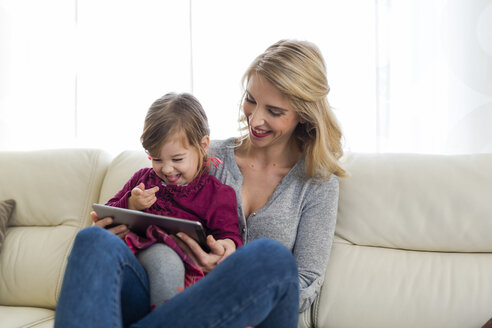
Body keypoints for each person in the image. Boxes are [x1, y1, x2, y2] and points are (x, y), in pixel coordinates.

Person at [54, 39, 345, 328]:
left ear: (304, 115)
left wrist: (231, 282)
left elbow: (305, 284)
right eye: (251, 100)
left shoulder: (317, 182)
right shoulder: (201, 155)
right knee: (93, 240)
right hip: (173, 297)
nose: (255, 119)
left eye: (274, 111)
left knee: (272, 258)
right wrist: (113, 229)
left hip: (250, 312)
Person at [104, 92, 243, 309]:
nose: (166, 169)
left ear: (203, 145)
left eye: (177, 159)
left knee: (164, 258)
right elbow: (108, 212)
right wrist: (132, 205)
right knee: (92, 239)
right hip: (134, 264)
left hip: (185, 274)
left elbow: (228, 235)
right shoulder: (142, 180)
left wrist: (225, 245)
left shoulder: (216, 194)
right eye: (157, 159)